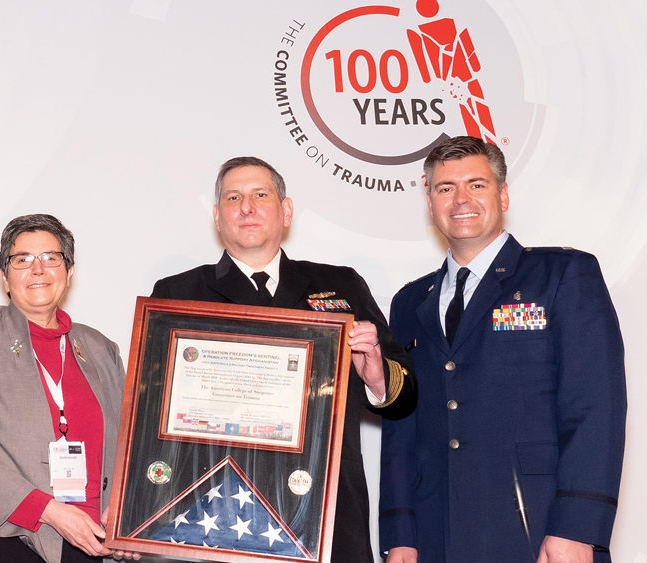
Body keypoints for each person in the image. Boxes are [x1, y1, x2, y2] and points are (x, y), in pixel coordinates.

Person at [150, 157, 416, 562]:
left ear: (286, 210)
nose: (247, 207)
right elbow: (154, 413)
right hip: (220, 514)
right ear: (218, 217)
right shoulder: (178, 293)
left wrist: (375, 376)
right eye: (233, 197)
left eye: (261, 195)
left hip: (329, 508)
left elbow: (405, 397)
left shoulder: (340, 283)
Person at [379, 136, 625, 563]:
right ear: (431, 201)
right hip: (435, 534)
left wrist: (576, 528)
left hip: (536, 529)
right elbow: (402, 432)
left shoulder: (563, 275)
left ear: (503, 194)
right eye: (445, 188)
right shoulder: (408, 302)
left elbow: (595, 408)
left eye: (476, 184)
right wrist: (400, 533)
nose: (460, 199)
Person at [0, 214, 132, 563]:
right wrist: (48, 510)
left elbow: (129, 447)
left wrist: (126, 517)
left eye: (51, 258)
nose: (38, 269)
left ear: (69, 271)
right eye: (22, 260)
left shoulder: (101, 348)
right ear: (4, 277)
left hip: (94, 544)